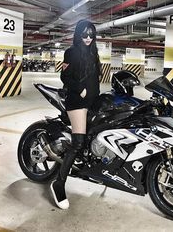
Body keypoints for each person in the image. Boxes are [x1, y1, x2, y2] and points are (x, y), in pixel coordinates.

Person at [50, 19, 101, 209]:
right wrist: (80, 89)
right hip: (76, 101)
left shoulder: (94, 52)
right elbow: (65, 76)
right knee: (78, 141)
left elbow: (95, 77)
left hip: (93, 100)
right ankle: (59, 183)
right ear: (78, 34)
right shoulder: (70, 52)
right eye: (84, 34)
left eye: (91, 34)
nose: (88, 38)